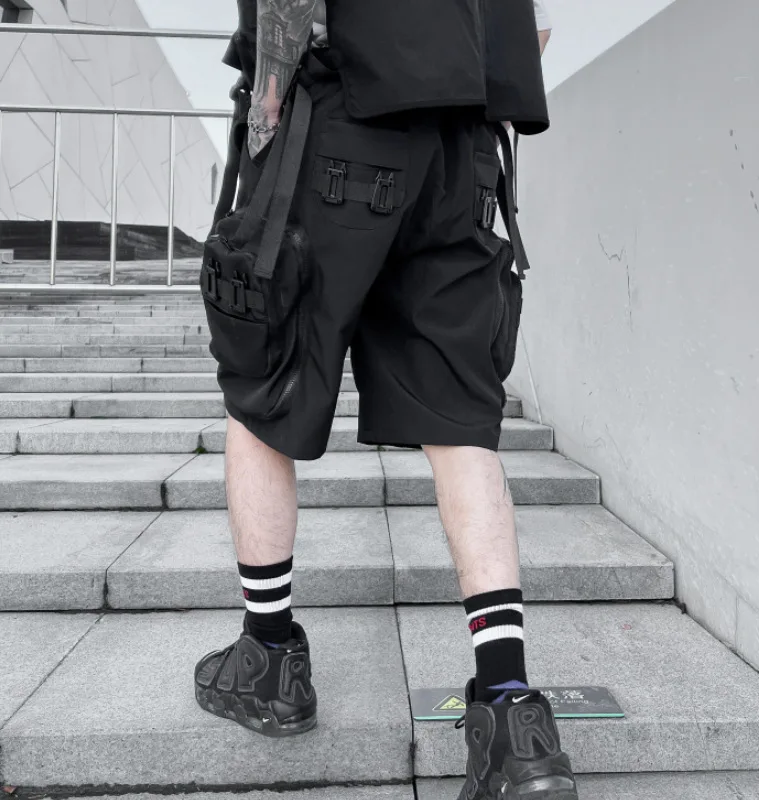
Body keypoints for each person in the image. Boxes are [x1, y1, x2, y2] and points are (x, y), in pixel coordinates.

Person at [194, 2, 578, 798]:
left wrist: (266, 116)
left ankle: (269, 658)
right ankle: (513, 718)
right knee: (462, 423)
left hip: (337, 124)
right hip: (465, 150)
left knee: (264, 374)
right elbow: (533, 27)